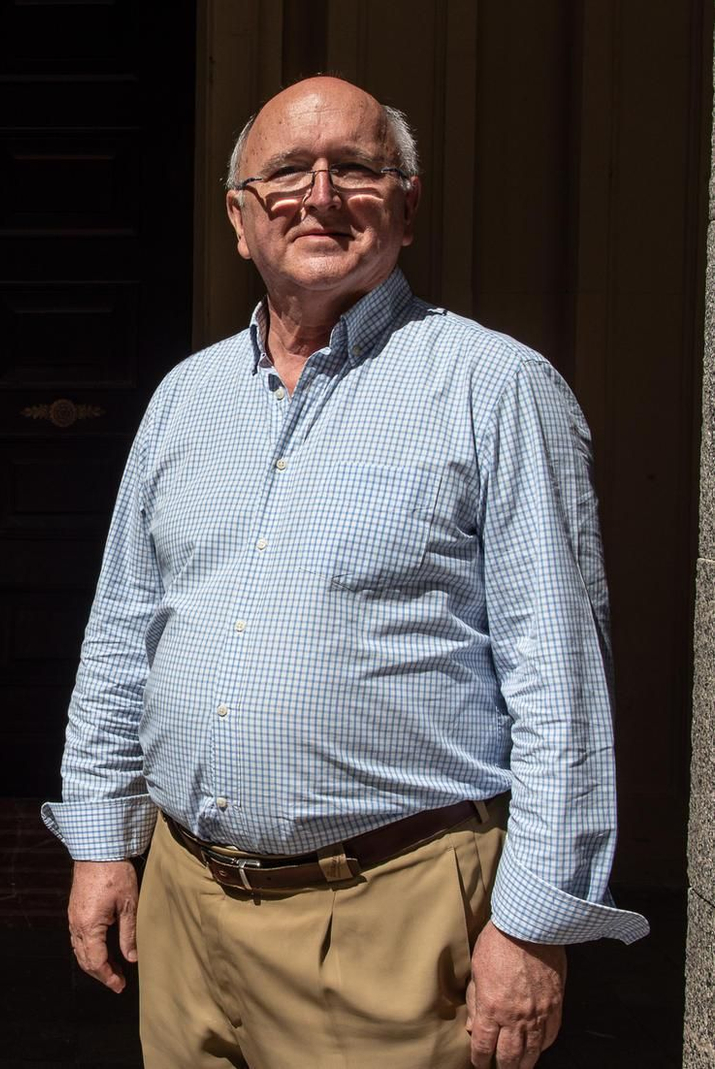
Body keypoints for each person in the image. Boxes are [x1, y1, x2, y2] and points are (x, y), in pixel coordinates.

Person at [41, 76, 648, 1069]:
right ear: (239, 218)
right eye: (286, 172)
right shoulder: (186, 398)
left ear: (406, 207)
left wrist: (535, 925)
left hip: (391, 919)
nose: (318, 196)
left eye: (356, 169)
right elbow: (123, 633)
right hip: (187, 907)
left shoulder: (494, 388)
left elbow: (561, 683)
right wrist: (102, 837)